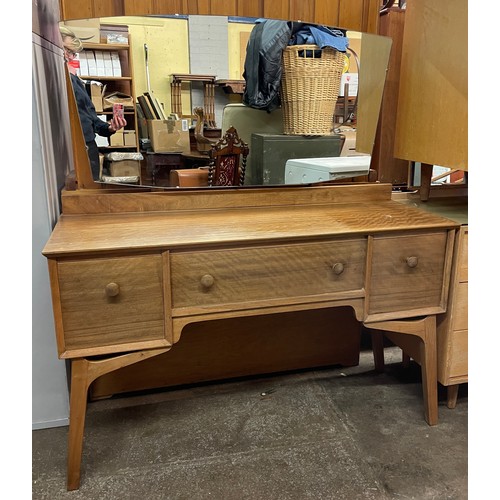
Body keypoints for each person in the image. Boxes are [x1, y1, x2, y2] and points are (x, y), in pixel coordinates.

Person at [59, 26, 127, 180]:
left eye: (72, 53)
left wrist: (109, 127)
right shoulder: (57, 80)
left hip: (88, 145)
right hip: (70, 147)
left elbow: (91, 117)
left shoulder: (75, 80)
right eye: (67, 51)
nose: (70, 57)